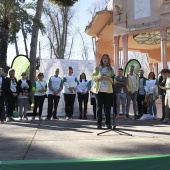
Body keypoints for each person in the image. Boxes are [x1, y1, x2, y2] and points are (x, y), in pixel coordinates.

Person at [91, 54, 114, 129]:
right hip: (99, 91)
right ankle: (99, 124)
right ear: (101, 59)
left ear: (108, 60)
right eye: (103, 58)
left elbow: (114, 79)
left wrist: (109, 78)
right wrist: (98, 77)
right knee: (99, 107)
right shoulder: (97, 68)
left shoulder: (110, 69)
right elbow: (93, 77)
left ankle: (108, 123)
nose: (105, 59)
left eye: (106, 58)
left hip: (108, 91)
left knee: (108, 108)